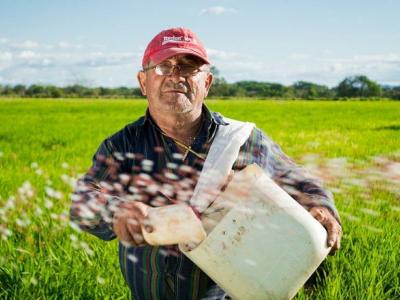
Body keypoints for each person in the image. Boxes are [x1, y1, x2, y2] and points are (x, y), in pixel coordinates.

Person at [70, 27, 342, 300]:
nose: (176, 75)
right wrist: (117, 212)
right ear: (143, 82)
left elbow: (298, 179)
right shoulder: (123, 145)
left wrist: (320, 205)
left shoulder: (240, 140)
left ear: (207, 83)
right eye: (164, 66)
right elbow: (83, 201)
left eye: (189, 67)